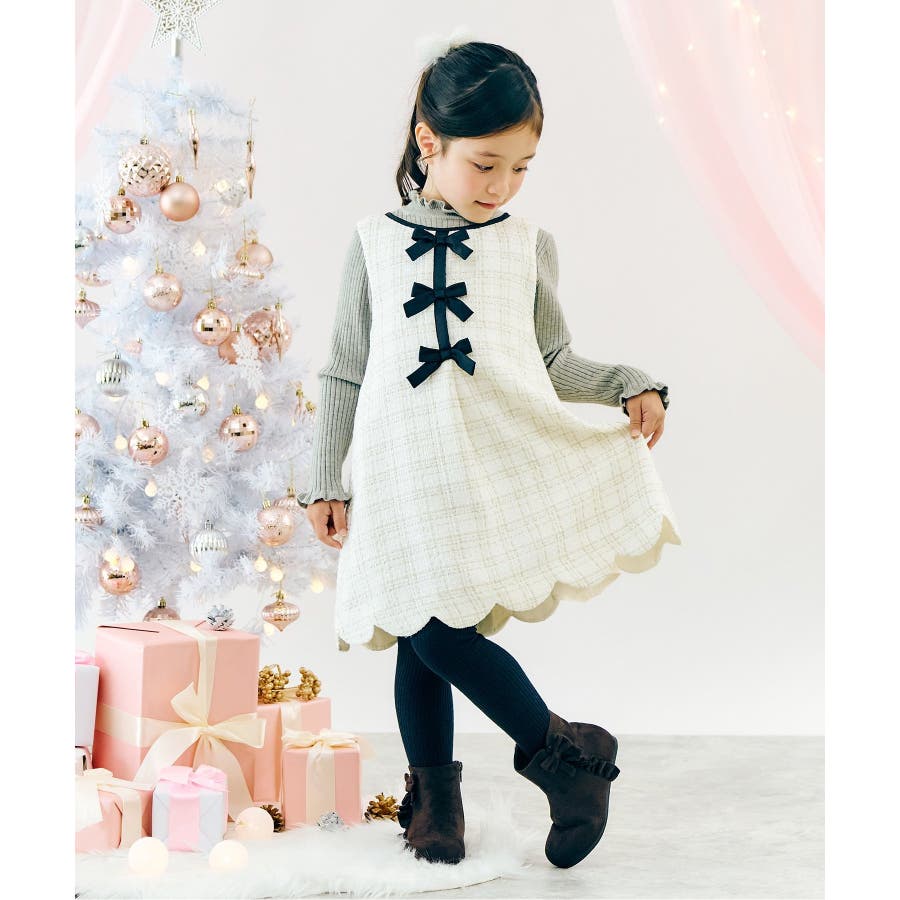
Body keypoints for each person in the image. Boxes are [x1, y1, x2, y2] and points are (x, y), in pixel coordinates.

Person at [300, 31, 682, 869]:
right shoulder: (372, 242)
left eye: (520, 168)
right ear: (428, 142)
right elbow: (344, 368)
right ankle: (439, 802)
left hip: (475, 473)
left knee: (439, 632)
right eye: (484, 164)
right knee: (418, 630)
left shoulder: (525, 246)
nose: (501, 185)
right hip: (398, 478)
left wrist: (626, 381)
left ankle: (562, 758)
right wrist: (324, 477)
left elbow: (552, 361)